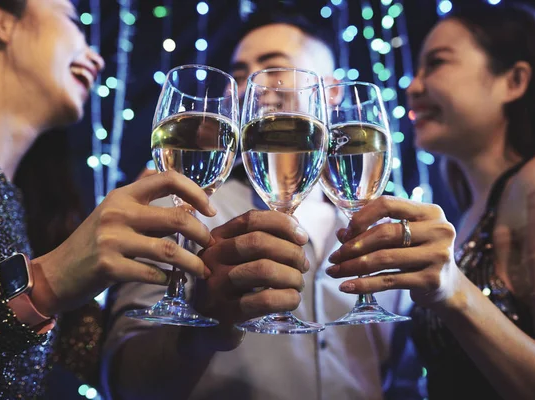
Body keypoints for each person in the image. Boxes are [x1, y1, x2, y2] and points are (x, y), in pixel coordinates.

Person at [102, 11, 412, 400]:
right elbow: (123, 381)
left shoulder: (385, 232)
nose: (255, 84)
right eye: (242, 73)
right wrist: (204, 327)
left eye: (275, 68)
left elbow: (407, 377)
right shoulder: (178, 205)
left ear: (331, 92)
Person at [326, 3, 535, 399]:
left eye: (437, 63)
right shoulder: (470, 209)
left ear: (514, 81)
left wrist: (455, 292)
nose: (413, 85)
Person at [0, 0, 218, 398]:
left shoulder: (30, 209)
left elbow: (111, 373)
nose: (97, 58)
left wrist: (209, 311)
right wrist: (46, 282)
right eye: (73, 21)